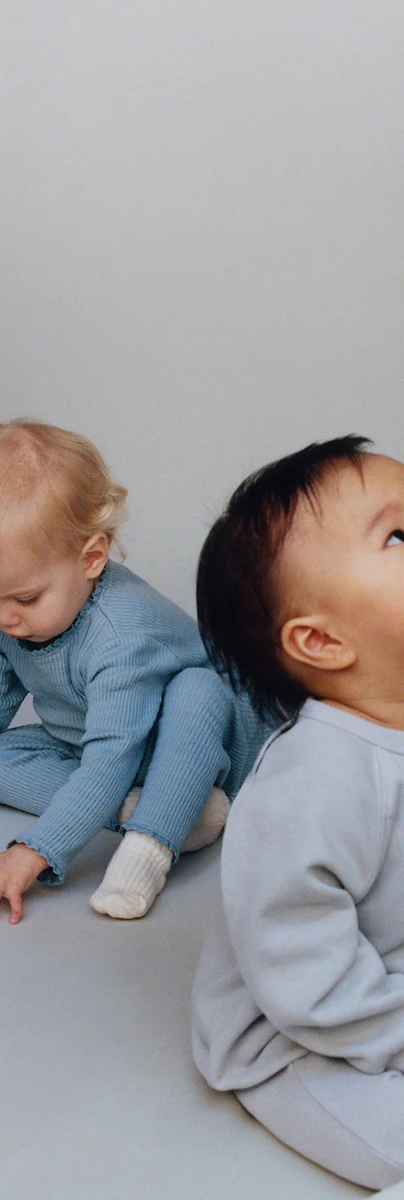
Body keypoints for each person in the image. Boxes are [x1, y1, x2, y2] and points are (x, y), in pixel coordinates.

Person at [0, 419, 269, 925]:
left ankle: (153, 838)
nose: (2, 617)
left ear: (91, 558)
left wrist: (32, 851)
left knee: (197, 690)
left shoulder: (120, 634)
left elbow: (113, 755)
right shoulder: (6, 617)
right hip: (98, 744)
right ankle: (164, 808)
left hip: (204, 747)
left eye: (25, 598)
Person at [192, 435, 404, 1191]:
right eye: (397, 534)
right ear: (321, 640)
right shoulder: (313, 782)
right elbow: (304, 978)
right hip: (299, 1037)